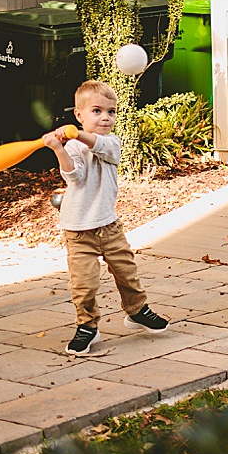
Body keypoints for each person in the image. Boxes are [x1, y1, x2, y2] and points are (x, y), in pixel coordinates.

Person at [44, 80, 169, 356]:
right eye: (97, 111)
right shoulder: (73, 147)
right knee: (84, 283)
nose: (105, 117)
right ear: (79, 115)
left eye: (110, 112)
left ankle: (137, 311)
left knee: (127, 272)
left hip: (109, 225)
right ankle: (87, 326)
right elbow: (74, 176)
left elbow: (98, 144)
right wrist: (58, 148)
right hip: (78, 231)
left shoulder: (111, 142)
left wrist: (74, 135)